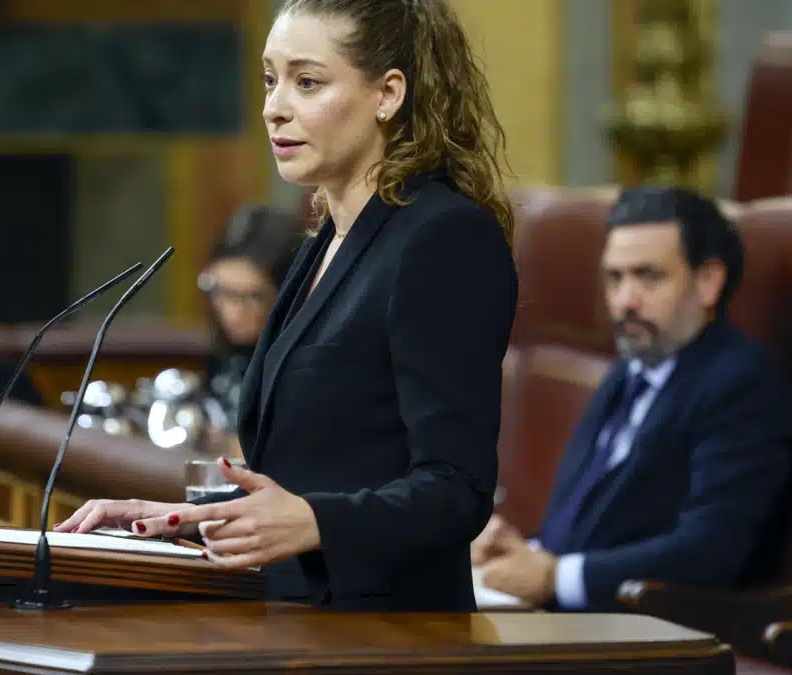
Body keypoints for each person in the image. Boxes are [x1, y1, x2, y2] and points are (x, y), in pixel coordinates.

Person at [55, 0, 519, 612]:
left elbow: (456, 490)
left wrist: (312, 523)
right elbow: (316, 480)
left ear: (388, 94)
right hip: (297, 620)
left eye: (307, 82)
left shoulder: (443, 239)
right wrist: (185, 517)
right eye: (271, 80)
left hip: (390, 636)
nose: (275, 107)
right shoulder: (324, 240)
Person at [472, 186, 792, 612]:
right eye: (615, 277)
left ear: (708, 282)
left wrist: (556, 576)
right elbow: (600, 526)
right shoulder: (633, 369)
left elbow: (711, 550)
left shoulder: (742, 386)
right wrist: (526, 553)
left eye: (648, 276)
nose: (625, 300)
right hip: (580, 618)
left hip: (655, 635)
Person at [198, 204, 304, 441]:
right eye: (220, 290)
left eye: (252, 297)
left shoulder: (302, 365)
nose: (232, 313)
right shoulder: (224, 349)